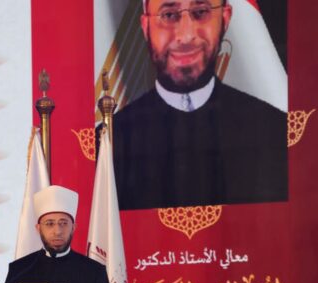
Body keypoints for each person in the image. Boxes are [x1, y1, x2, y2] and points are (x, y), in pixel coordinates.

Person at [112, 0, 288, 210]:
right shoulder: (108, 142)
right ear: (145, 26)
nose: (186, 36)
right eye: (169, 15)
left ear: (225, 18)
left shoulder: (275, 129)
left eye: (201, 12)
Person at [0, 185, 121, 283]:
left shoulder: (93, 271)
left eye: (63, 223)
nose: (57, 231)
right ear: (38, 228)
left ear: (73, 227)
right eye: (49, 224)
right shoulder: (19, 269)